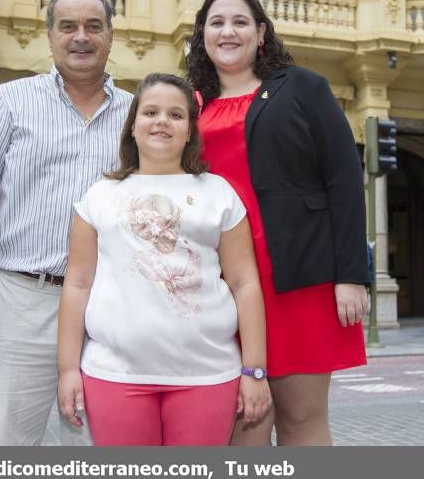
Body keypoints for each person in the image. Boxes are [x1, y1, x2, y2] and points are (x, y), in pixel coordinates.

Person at [0, 0, 132, 446]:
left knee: (96, 447)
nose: (81, 37)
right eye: (67, 26)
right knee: (6, 444)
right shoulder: (8, 101)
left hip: (106, 306)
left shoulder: (138, 114)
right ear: (49, 37)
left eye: (94, 26)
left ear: (110, 36)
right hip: (19, 301)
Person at [186, 0, 368, 446]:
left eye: (240, 22)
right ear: (202, 35)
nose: (228, 31)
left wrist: (351, 274)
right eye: (217, 23)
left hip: (297, 279)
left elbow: (344, 179)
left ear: (261, 33)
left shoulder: (302, 87)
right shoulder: (189, 105)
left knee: (302, 420)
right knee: (240, 424)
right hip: (219, 286)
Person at [57, 73, 270, 445]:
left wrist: (255, 371)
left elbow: (244, 283)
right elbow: (77, 285)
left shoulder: (218, 194)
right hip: (114, 375)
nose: (161, 121)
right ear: (133, 126)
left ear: (190, 130)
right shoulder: (98, 196)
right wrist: (67, 370)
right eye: (150, 112)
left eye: (176, 115)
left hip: (207, 374)